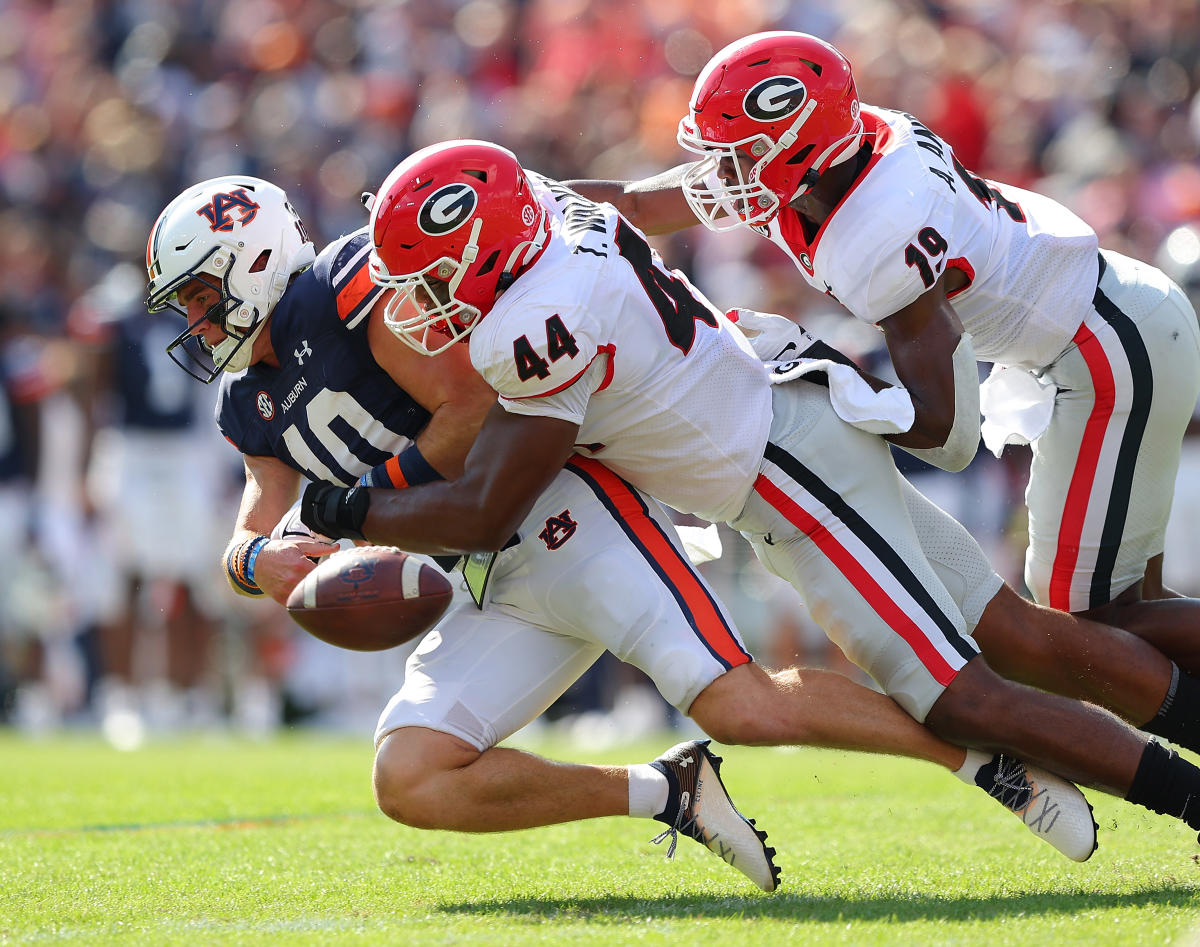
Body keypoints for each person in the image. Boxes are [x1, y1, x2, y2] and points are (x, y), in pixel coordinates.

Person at [143, 176, 1102, 890]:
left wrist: (366, 504)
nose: (192, 319)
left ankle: (982, 762)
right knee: (412, 775)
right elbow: (259, 506)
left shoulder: (356, 289)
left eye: (197, 292)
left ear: (253, 259)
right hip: (477, 563)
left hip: (562, 514)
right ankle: (666, 792)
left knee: (743, 705)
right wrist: (256, 557)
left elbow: (472, 408)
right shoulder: (250, 397)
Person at [317, 139, 1200, 855]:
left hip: (788, 471)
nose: (421, 304)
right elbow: (603, 196)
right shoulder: (546, 219)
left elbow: (483, 511)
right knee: (1012, 634)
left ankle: (1191, 798)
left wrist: (345, 511)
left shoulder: (537, 321)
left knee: (959, 695)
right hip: (781, 430)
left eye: (433, 277)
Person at [580, 31, 1200, 675]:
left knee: (1091, 617)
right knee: (1118, 604)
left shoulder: (878, 227)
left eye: (742, 156)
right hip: (1101, 327)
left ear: (800, 146)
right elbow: (630, 205)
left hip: (1110, 347)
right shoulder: (833, 160)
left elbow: (948, 436)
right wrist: (535, 214)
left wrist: (821, 375)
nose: (724, 176)